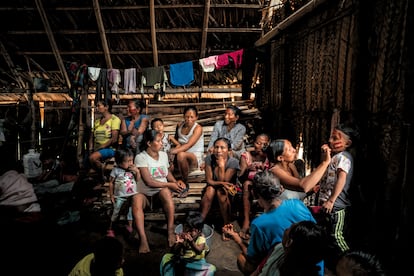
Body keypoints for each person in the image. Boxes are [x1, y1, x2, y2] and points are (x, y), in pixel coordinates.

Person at [221, 170, 316, 275]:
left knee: (242, 259)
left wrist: (236, 238)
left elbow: (251, 257)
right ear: (280, 189)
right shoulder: (298, 204)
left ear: (254, 194)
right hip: (314, 265)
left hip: (290, 269)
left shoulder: (260, 224)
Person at [133, 129, 186, 253]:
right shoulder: (141, 158)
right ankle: (143, 240)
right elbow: (148, 182)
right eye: (158, 141)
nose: (162, 143)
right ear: (149, 143)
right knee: (136, 199)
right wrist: (170, 184)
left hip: (159, 196)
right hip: (145, 196)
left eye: (161, 140)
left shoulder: (163, 155)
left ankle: (170, 231)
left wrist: (175, 182)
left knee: (166, 192)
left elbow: (167, 173)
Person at [316, 124, 359, 270]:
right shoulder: (335, 157)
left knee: (337, 235)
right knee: (327, 234)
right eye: (330, 137)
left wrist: (331, 200)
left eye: (335, 138)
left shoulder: (344, 157)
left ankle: (352, 264)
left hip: (337, 205)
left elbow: (341, 179)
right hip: (328, 204)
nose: (330, 140)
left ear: (348, 143)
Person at [252, 220, 327, 276]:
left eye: (288, 229)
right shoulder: (279, 248)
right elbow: (258, 271)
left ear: (289, 243)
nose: (285, 229)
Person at [200, 137, 240, 234]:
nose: (218, 151)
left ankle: (226, 225)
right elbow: (209, 180)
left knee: (220, 192)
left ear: (229, 150)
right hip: (214, 186)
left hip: (230, 190)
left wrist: (221, 167)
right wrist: (221, 183)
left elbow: (226, 182)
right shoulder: (209, 158)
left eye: (222, 148)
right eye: (216, 147)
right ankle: (200, 222)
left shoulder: (233, 162)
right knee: (210, 190)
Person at [237, 133, 272, 240]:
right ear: (254, 143)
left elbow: (273, 176)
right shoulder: (246, 156)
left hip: (265, 185)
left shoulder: (270, 157)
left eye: (264, 144)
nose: (260, 146)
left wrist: (264, 169)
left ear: (268, 145)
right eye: (258, 143)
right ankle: (246, 221)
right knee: (247, 184)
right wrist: (248, 168)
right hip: (249, 185)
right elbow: (241, 177)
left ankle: (264, 224)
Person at [160, 211, 216, 276]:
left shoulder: (201, 238)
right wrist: (179, 243)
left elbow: (199, 251)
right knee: (166, 257)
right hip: (182, 261)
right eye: (185, 228)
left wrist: (191, 242)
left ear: (198, 231)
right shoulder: (181, 236)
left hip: (196, 262)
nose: (187, 232)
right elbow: (173, 251)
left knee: (211, 269)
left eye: (190, 230)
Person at [169, 106, 205, 197]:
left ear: (196, 117)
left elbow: (189, 145)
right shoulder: (179, 125)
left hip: (194, 157)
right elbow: (177, 142)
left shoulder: (198, 128)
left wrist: (173, 152)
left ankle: (185, 184)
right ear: (183, 116)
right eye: (187, 116)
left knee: (181, 155)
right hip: (180, 156)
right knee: (170, 161)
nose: (189, 119)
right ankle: (172, 186)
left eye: (192, 117)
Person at [107, 148, 140, 237]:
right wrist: (111, 195)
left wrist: (137, 172)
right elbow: (111, 183)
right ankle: (111, 228)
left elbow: (138, 180)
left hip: (132, 196)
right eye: (128, 161)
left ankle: (129, 227)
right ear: (119, 162)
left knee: (130, 213)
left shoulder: (132, 170)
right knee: (116, 212)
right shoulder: (116, 170)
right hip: (120, 196)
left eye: (131, 160)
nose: (130, 163)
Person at [89, 99, 121, 182]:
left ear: (106, 107)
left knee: (93, 158)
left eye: (99, 105)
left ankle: (102, 175)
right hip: (97, 149)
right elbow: (92, 136)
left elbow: (114, 139)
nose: (97, 107)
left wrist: (101, 147)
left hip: (109, 148)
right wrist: (90, 148)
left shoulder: (114, 120)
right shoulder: (97, 121)